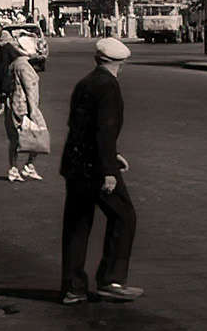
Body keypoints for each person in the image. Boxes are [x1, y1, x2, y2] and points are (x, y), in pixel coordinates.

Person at [60, 38, 141, 305]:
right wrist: (109, 169)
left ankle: (73, 287)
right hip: (95, 166)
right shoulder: (109, 87)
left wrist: (112, 156)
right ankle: (111, 279)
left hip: (75, 161)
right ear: (121, 62)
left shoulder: (87, 82)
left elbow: (80, 124)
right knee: (124, 216)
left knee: (77, 226)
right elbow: (104, 130)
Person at [3, 35, 48, 182]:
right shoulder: (23, 66)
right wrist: (34, 110)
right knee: (38, 135)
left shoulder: (15, 64)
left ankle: (18, 168)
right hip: (24, 106)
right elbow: (29, 88)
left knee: (18, 138)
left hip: (15, 104)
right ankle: (23, 167)